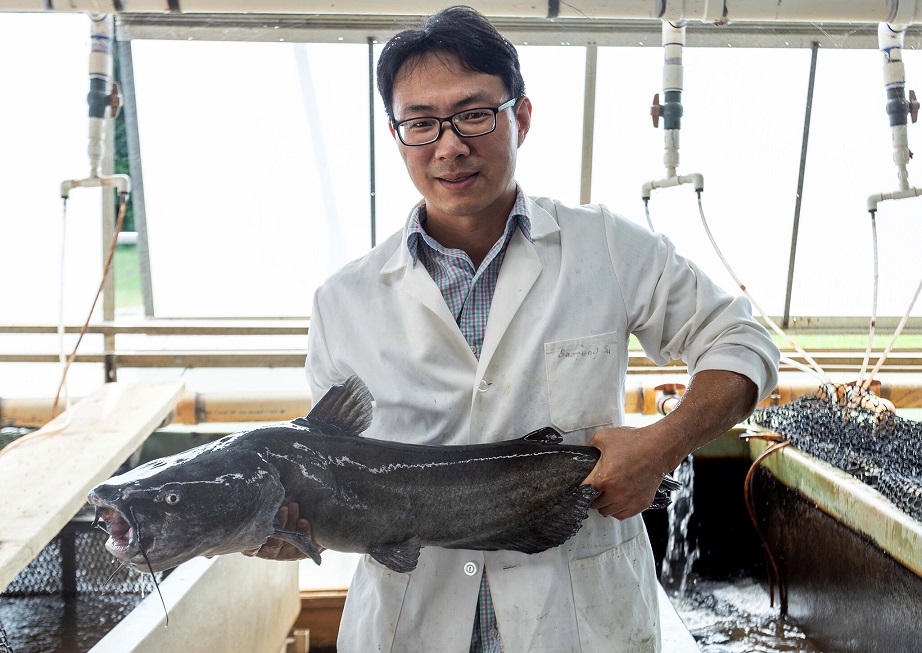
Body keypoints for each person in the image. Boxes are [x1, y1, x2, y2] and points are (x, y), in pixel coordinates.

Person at [253, 6, 779, 652]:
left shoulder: (605, 247)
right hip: (410, 627)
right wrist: (298, 527)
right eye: (421, 123)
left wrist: (661, 445)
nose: (449, 145)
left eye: (473, 114)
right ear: (398, 137)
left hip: (580, 625)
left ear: (520, 118)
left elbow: (744, 343)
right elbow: (342, 482)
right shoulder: (343, 304)